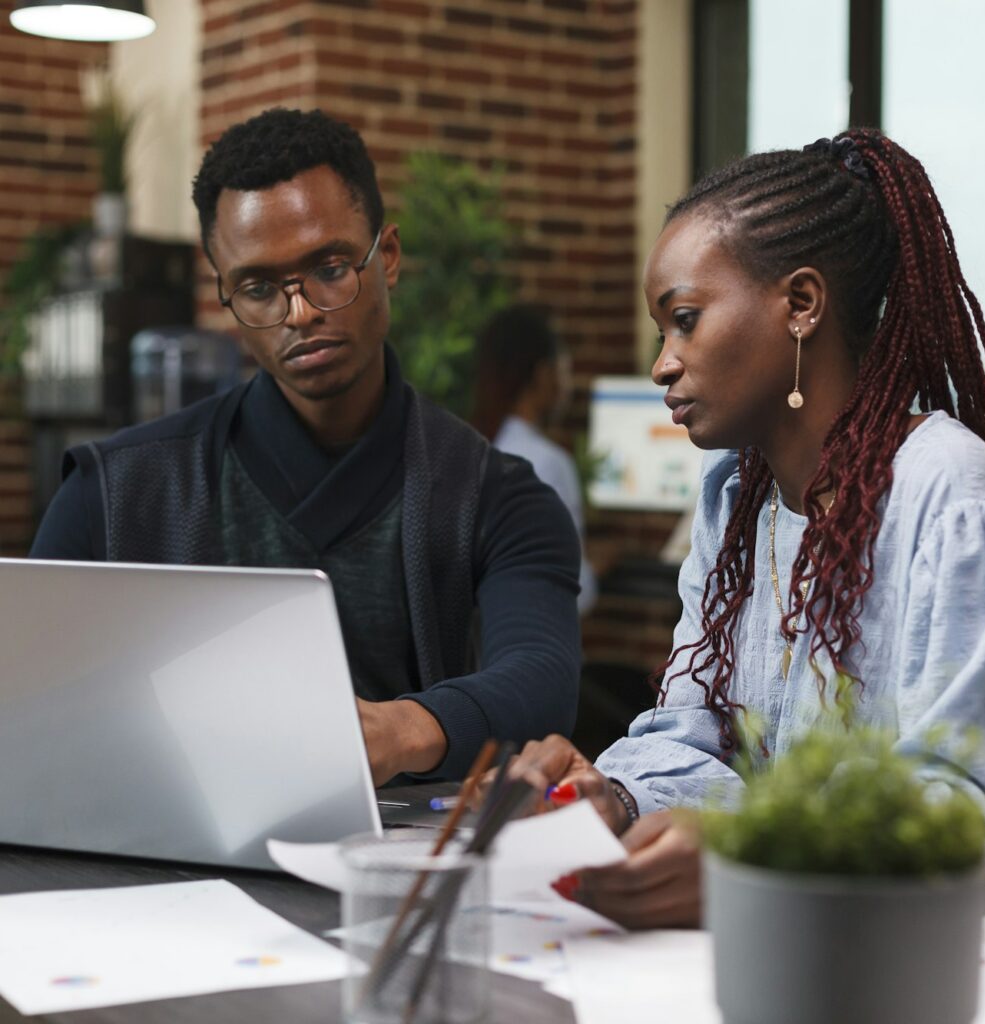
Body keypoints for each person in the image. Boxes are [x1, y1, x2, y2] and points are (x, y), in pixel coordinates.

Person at [494, 129, 985, 927]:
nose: (662, 364)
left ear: (802, 305)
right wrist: (616, 797)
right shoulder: (735, 497)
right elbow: (690, 739)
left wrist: (750, 856)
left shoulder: (947, 490)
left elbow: (966, 822)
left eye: (684, 320)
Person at [29, 107, 582, 787]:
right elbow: (33, 711)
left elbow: (540, 679)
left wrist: (402, 730)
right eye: (259, 287)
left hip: (399, 872)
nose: (300, 312)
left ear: (391, 257)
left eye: (329, 267)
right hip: (161, 871)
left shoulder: (495, 497)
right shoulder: (114, 493)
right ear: (226, 296)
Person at [470, 304, 597, 614]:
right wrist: (595, 568)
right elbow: (572, 591)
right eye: (566, 370)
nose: (569, 387)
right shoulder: (549, 463)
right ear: (543, 375)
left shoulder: (473, 452)